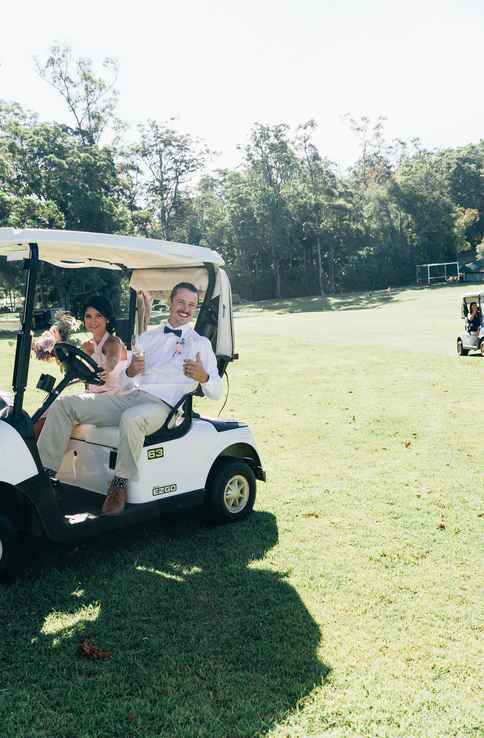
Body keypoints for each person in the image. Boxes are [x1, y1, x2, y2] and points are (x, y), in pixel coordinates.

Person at [37, 282, 222, 515]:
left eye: (191, 305)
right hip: (133, 396)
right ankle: (44, 477)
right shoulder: (148, 338)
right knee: (65, 405)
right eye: (181, 302)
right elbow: (126, 382)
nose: (185, 309)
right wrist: (131, 371)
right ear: (171, 303)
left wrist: (203, 376)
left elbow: (217, 392)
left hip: (165, 407)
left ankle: (119, 485)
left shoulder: (201, 344)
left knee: (131, 418)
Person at [32, 297, 129, 438]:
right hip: (93, 398)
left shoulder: (113, 342)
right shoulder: (87, 345)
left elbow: (112, 359)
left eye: (98, 316)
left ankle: (44, 458)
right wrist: (56, 343)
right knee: (46, 410)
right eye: (88, 316)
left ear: (107, 319)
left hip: (112, 400)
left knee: (61, 406)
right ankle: (34, 455)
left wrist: (107, 369)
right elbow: (73, 365)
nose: (93, 321)